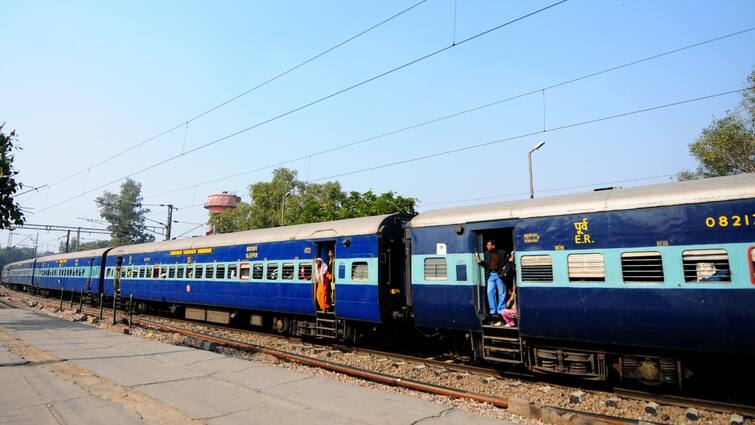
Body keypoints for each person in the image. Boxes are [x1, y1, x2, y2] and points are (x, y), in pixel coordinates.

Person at [475, 239, 508, 322]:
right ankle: (493, 312)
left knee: (501, 293)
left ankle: (501, 312)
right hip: (491, 275)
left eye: (488, 245)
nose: (487, 246)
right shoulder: (487, 253)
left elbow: (506, 263)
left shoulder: (502, 253)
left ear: (493, 246)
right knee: (490, 292)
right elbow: (487, 264)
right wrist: (480, 262)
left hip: (499, 275)